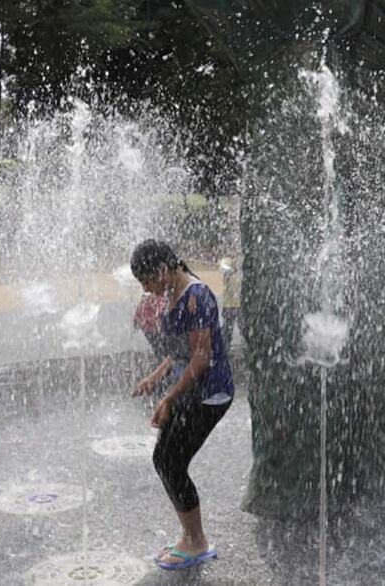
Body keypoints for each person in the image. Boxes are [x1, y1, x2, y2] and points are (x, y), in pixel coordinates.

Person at [129, 239, 234, 571]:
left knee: (171, 462)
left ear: (163, 270)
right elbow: (178, 352)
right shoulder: (171, 294)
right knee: (164, 458)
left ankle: (197, 541)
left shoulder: (197, 297)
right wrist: (154, 376)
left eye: (147, 280)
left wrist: (168, 397)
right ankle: (190, 536)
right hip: (189, 390)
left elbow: (201, 360)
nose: (146, 289)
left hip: (210, 394)